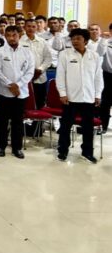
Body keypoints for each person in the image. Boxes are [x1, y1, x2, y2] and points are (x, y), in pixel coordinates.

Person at [56, 28, 103, 163]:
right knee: (65, 126)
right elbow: (60, 75)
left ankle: (87, 152)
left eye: (78, 39)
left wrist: (97, 94)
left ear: (86, 41)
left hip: (88, 97)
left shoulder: (94, 56)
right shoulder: (65, 54)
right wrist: (62, 93)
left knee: (88, 127)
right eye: (73, 39)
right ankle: (63, 151)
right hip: (70, 97)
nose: (75, 41)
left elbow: (98, 77)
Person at [0, 26, 35, 159]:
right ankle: (1, 146)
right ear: (5, 36)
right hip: (3, 92)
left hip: (21, 92)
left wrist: (18, 85)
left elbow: (30, 71)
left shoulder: (27, 52)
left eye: (14, 35)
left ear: (19, 35)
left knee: (18, 122)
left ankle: (17, 148)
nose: (11, 38)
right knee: (2, 121)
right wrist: (9, 85)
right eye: (9, 35)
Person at [20, 19, 53, 110]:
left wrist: (40, 70)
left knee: (40, 103)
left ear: (36, 28)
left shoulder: (42, 41)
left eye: (33, 26)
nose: (31, 28)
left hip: (40, 78)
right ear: (24, 27)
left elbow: (48, 58)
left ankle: (37, 120)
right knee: (24, 104)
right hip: (23, 79)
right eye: (28, 26)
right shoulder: (19, 41)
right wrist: (28, 73)